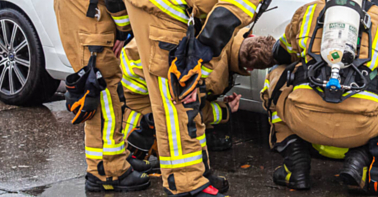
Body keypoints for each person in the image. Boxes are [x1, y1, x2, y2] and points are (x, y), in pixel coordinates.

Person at [120, 0, 326, 197]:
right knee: (179, 97)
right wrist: (196, 58)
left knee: (186, 95)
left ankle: (197, 173)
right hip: (160, 5)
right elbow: (227, 14)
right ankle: (186, 188)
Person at [55, 0, 223, 194]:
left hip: (89, 2)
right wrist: (122, 29)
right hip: (86, 6)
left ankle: (112, 162)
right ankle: (106, 173)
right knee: (101, 87)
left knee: (110, 88)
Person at [261, 0, 378, 196]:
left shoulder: (308, 12)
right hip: (363, 125)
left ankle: (295, 164)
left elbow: (279, 54)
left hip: (303, 117)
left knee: (275, 77)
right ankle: (361, 157)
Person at [119, 28, 278, 172]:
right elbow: (192, 109)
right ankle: (133, 149)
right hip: (137, 88)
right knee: (171, 124)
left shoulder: (224, 32)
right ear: (250, 69)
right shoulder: (213, 76)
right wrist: (225, 110)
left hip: (137, 61)